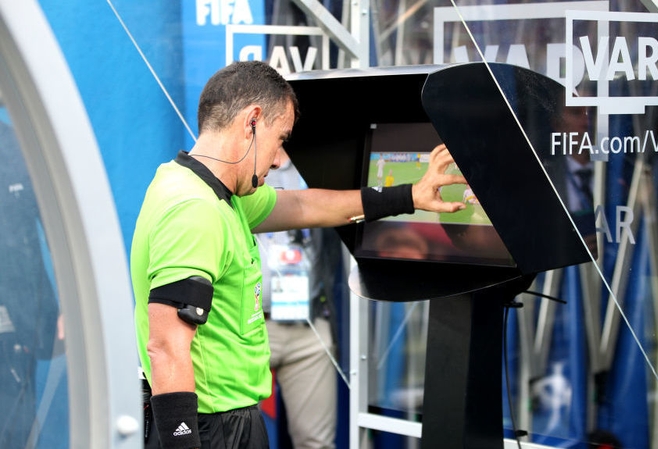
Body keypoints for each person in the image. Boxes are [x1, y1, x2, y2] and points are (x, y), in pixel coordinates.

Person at [130, 60, 467, 449]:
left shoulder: (207, 191)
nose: (277, 159)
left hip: (225, 421)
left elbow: (307, 206)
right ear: (252, 121)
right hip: (210, 428)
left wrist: (409, 196)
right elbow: (166, 345)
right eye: (280, 138)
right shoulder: (195, 209)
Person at [255, 149, 341, 449]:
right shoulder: (241, 162)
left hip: (310, 326)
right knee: (236, 437)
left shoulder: (322, 165)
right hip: (249, 327)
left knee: (316, 442)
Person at [0, 119, 62, 449]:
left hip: (13, 328)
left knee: (14, 433)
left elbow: (60, 232)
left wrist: (72, 305)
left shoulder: (18, 143)